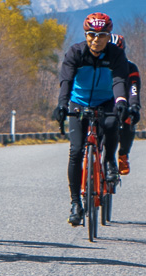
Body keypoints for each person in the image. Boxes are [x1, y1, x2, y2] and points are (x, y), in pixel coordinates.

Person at [52, 13, 130, 226]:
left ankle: (110, 160)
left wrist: (121, 101)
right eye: (91, 35)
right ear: (85, 35)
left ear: (109, 35)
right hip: (79, 103)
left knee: (113, 123)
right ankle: (76, 203)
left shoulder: (115, 54)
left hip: (105, 101)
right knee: (76, 151)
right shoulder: (76, 52)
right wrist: (62, 105)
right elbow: (66, 80)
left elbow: (119, 80)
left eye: (102, 35)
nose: (96, 39)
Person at [110, 34, 142, 174]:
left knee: (129, 120)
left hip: (123, 103)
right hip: (103, 101)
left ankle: (123, 155)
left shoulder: (130, 67)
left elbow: (133, 88)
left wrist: (134, 105)